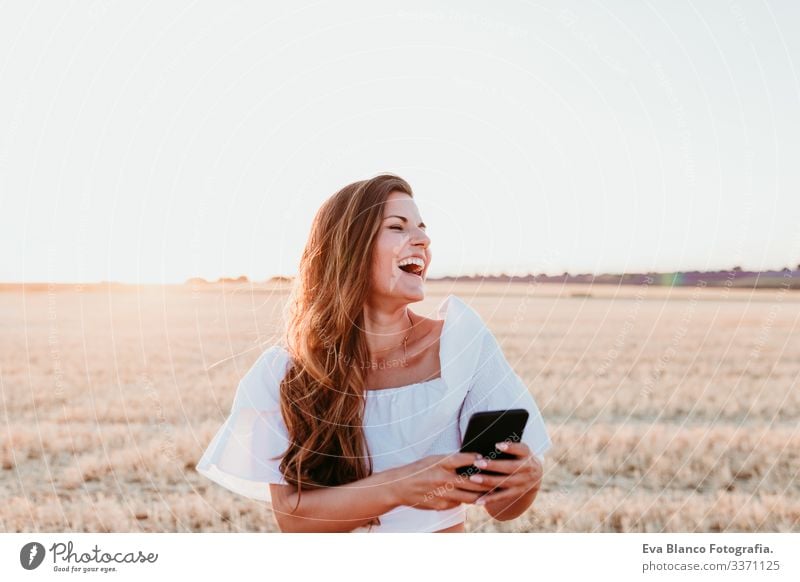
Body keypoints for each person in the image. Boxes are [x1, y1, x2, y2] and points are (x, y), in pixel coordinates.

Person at [196, 174, 552, 532]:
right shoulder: (287, 370)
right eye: (398, 227)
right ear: (349, 248)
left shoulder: (462, 345)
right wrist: (403, 485)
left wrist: (526, 480)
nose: (423, 240)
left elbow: (503, 508)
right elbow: (294, 520)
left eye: (422, 229)